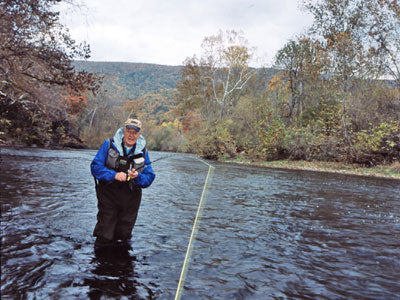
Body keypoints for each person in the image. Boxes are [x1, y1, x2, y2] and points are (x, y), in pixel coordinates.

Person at [90, 118, 155, 248]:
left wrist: (137, 176)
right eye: (129, 131)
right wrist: (114, 175)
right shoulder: (108, 145)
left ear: (139, 134)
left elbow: (149, 177)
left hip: (131, 196)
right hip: (108, 194)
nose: (131, 135)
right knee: (105, 233)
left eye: (135, 132)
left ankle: (121, 264)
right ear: (123, 131)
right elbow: (95, 167)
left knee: (124, 235)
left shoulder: (143, 151)